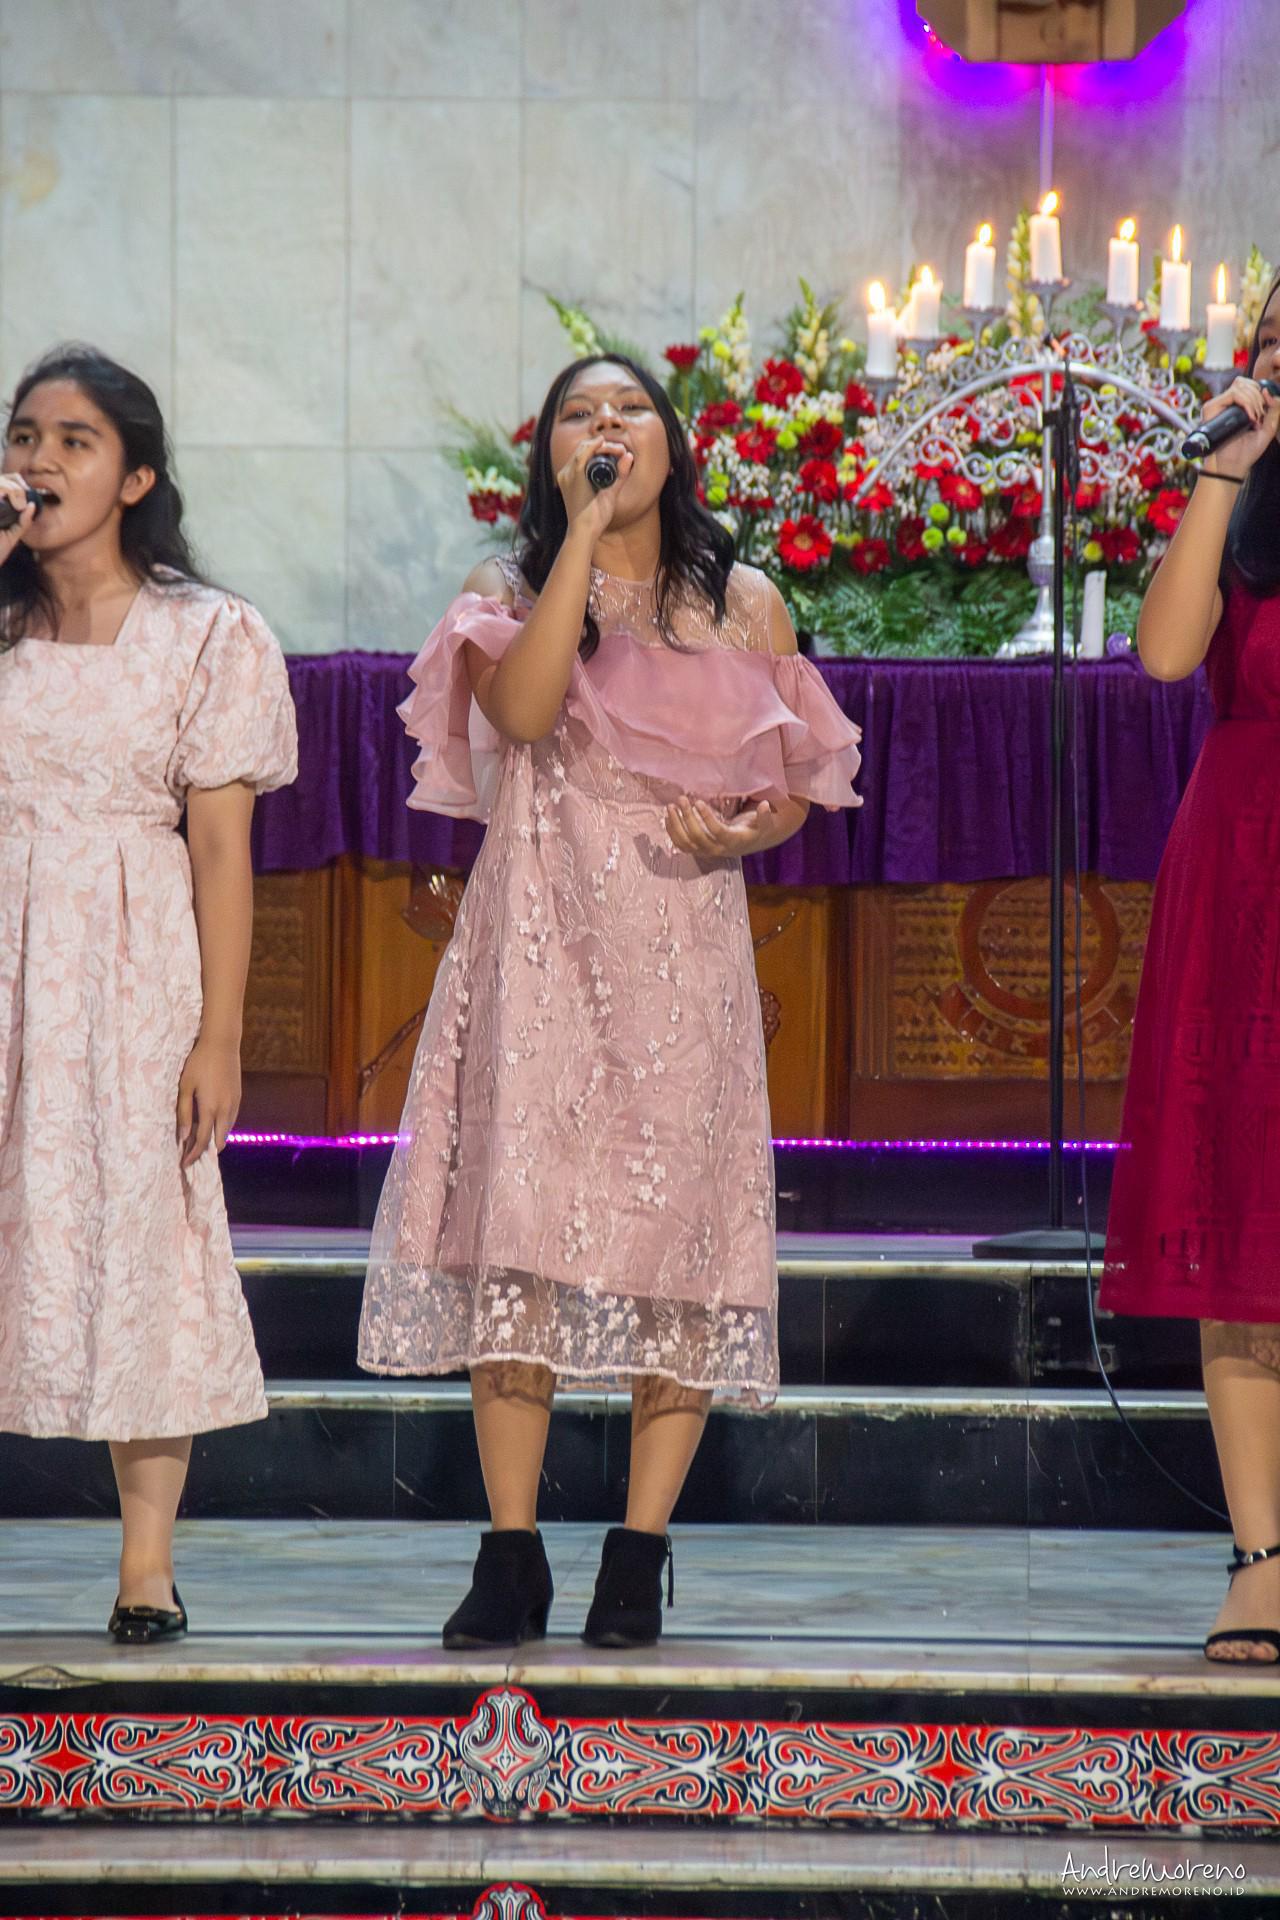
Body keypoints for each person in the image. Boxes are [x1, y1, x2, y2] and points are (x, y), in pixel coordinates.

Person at [359, 353, 862, 1648]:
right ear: (551, 455)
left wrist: (742, 832)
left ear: (673, 443)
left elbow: (790, 788)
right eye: (580, 414)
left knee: (678, 1242)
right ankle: (510, 1550)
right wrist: (578, 543)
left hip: (681, 947)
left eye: (630, 408)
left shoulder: (744, 603)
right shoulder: (508, 590)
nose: (607, 425)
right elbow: (526, 716)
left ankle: (638, 1553)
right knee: (516, 1229)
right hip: (538, 938)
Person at [0, 344, 297, 1642]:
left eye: (73, 441)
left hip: (130, 962)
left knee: (144, 1236)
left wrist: (218, 1035)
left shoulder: (207, 634)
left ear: (135, 478)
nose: (39, 463)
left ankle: (146, 1565)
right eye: (24, 436)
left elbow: (222, 850)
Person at [1100, 275, 1280, 1664]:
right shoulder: (1242, 506)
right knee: (1239, 1216)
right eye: (1273, 342)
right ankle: (1262, 1560)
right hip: (1245, 868)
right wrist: (1223, 470)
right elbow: (1166, 654)